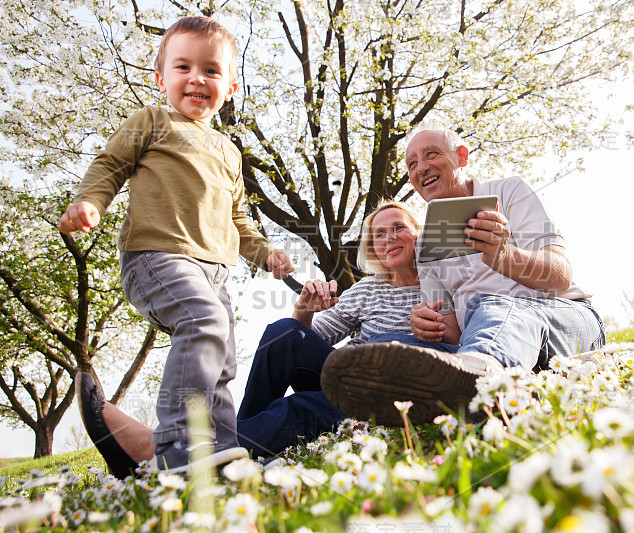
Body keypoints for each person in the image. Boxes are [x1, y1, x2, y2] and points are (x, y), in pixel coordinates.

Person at [62, 16, 293, 473]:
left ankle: (221, 453)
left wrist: (265, 252)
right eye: (183, 67)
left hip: (215, 269)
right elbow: (110, 164)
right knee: (203, 321)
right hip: (155, 256)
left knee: (221, 355)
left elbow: (238, 220)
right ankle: (180, 446)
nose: (197, 78)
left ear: (229, 87)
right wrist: (90, 202)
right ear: (161, 77)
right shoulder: (151, 121)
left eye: (211, 70)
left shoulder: (229, 153)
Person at [78, 201, 456, 477]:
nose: (389, 238)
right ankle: (228, 442)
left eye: (399, 228)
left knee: (301, 407)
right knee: (283, 331)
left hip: (393, 393)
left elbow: (461, 346)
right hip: (346, 374)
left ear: (419, 233)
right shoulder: (364, 291)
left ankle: (168, 453)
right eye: (379, 234)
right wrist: (305, 309)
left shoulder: (445, 280)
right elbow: (306, 341)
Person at [321, 124, 606, 423]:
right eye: (412, 164)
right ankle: (466, 385)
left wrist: (505, 256)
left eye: (431, 154)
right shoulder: (428, 244)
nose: (422, 168)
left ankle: (482, 381)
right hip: (490, 342)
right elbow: (455, 332)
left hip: (565, 320)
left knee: (493, 305)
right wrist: (427, 325)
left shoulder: (508, 191)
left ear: (461, 156)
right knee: (388, 341)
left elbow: (559, 276)